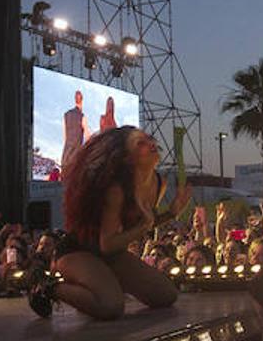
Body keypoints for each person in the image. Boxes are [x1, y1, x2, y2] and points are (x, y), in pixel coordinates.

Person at [29, 127, 188, 320]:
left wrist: (171, 213)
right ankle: (47, 286)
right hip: (78, 251)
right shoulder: (116, 190)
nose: (151, 144)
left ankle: (101, 281)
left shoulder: (157, 183)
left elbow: (141, 226)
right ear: (127, 158)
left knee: (166, 295)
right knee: (110, 306)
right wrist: (143, 226)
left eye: (149, 139)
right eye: (141, 144)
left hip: (112, 254)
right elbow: (107, 243)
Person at [60, 89, 88, 169]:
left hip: (66, 156)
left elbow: (65, 137)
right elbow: (87, 138)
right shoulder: (82, 116)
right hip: (76, 158)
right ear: (82, 100)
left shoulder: (66, 115)